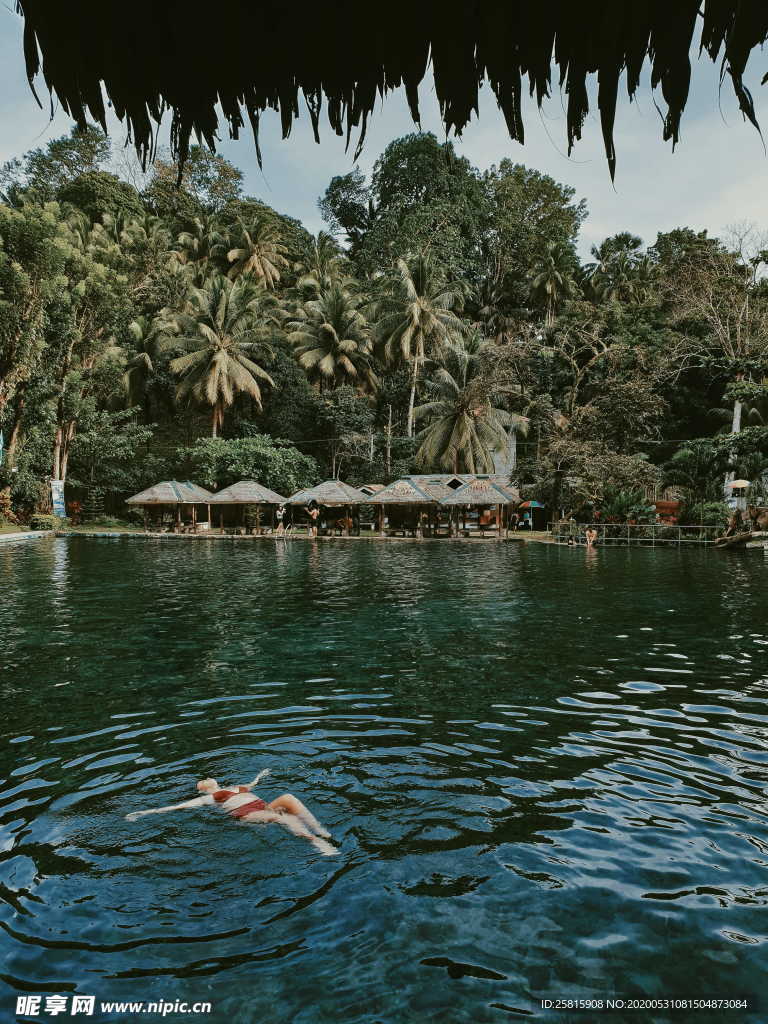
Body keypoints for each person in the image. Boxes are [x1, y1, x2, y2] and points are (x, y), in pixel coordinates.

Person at [125, 770, 338, 856]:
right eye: (203, 781)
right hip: (244, 816)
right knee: (281, 817)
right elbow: (177, 807)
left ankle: (320, 830)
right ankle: (314, 841)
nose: (207, 778)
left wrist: (260, 776)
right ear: (205, 788)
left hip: (261, 806)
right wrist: (144, 812)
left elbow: (252, 784)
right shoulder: (209, 798)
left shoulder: (235, 787)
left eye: (207, 778)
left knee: (289, 798)